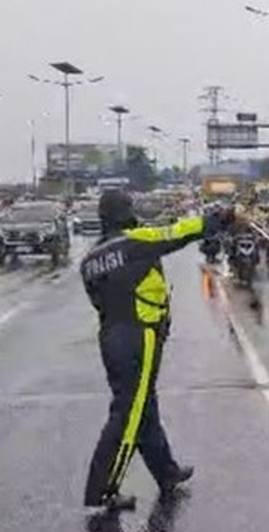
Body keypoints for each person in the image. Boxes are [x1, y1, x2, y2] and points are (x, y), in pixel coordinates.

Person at [81, 189, 236, 511]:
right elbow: (178, 233)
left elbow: (98, 300)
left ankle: (166, 472)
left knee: (143, 405)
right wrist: (216, 220)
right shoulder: (135, 241)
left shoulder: (91, 259)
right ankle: (104, 488)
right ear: (126, 212)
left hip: (111, 334)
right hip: (140, 335)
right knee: (130, 415)